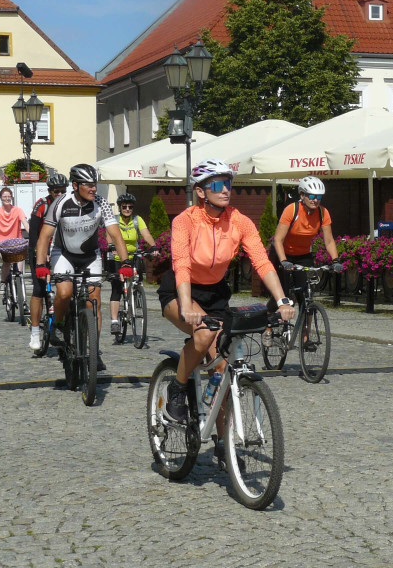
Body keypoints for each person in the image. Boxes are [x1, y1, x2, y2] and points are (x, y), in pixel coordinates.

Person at [157, 159, 295, 463]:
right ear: (201, 191)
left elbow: (261, 261)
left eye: (228, 183)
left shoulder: (239, 221)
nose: (226, 190)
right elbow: (181, 264)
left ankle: (222, 440)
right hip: (181, 289)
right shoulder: (186, 220)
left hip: (216, 292)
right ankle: (178, 390)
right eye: (218, 184)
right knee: (204, 335)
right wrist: (185, 306)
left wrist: (282, 300)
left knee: (222, 369)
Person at [34, 164, 130, 372]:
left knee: (93, 301)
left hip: (90, 255)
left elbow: (115, 234)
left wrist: (125, 263)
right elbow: (44, 236)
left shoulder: (101, 203)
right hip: (64, 254)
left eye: (94, 184)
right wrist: (41, 264)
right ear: (75, 185)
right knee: (65, 291)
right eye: (88, 185)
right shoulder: (60, 203)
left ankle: (94, 351)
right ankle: (58, 325)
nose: (93, 188)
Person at [270, 176, 342, 299]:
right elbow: (278, 239)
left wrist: (335, 261)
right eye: (312, 196)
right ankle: (273, 314)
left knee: (306, 295)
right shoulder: (292, 210)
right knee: (282, 296)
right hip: (283, 254)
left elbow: (329, 240)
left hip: (303, 255)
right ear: (302, 195)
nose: (315, 200)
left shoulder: (323, 213)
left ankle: (308, 314)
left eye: (319, 197)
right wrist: (284, 261)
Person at [27, 174, 68, 351]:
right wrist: (40, 257)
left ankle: (62, 325)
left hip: (60, 250)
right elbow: (34, 233)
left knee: (66, 288)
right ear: (50, 191)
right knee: (39, 290)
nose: (59, 194)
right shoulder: (42, 204)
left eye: (62, 191)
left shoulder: (69, 204)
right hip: (40, 249)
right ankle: (35, 332)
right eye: (55, 191)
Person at [107, 192, 158, 336]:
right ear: (120, 208)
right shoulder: (114, 220)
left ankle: (135, 293)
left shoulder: (137, 220)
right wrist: (111, 247)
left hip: (134, 256)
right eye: (124, 207)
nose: (127, 209)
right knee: (117, 288)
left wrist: (153, 246)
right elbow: (109, 236)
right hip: (118, 258)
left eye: (130, 207)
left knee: (137, 280)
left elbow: (146, 234)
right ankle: (115, 321)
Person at [0, 187, 29, 295]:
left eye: (9, 196)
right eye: (4, 196)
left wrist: (33, 236)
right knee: (6, 263)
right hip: (1, 244)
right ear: (1, 198)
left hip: (17, 243)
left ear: (11, 197)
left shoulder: (18, 210)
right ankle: (3, 283)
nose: (7, 198)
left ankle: (20, 286)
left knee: (20, 261)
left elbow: (25, 223)